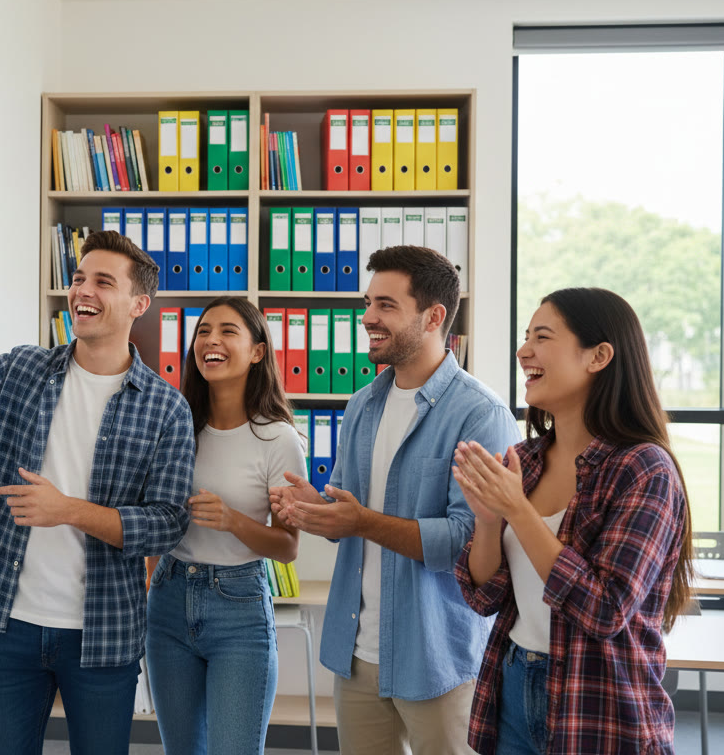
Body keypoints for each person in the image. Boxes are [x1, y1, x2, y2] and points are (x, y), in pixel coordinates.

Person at [0, 231, 195, 755]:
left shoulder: (166, 409)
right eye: (77, 278)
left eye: (102, 282)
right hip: (10, 628)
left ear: (139, 303)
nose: (82, 291)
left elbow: (166, 523)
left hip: (103, 636)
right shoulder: (25, 370)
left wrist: (67, 510)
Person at [270, 246, 518, 755]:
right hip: (357, 653)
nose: (367, 318)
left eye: (385, 305)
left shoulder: (480, 414)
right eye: (368, 303)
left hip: (437, 659)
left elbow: (467, 543)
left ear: (434, 317)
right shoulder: (363, 403)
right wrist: (315, 507)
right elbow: (349, 515)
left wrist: (360, 521)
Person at [452, 287, 693, 755]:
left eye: (542, 337)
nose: (524, 352)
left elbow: (604, 609)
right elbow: (484, 596)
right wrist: (486, 519)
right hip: (514, 685)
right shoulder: (525, 460)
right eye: (525, 338)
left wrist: (518, 512)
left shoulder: (643, 468)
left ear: (599, 356)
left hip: (601, 703)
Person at [145, 296, 307, 755]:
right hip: (169, 600)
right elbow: (156, 513)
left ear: (258, 351)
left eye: (228, 331)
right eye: (203, 331)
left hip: (238, 609)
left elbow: (288, 547)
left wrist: (233, 520)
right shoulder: (176, 423)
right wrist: (152, 579)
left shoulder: (279, 438)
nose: (211, 340)